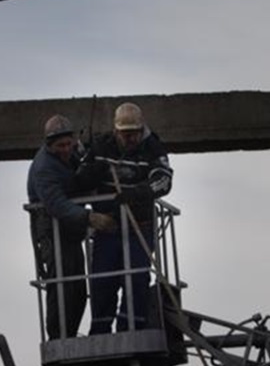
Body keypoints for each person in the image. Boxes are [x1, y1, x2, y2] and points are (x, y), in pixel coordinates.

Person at [79, 102, 173, 334]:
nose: (130, 139)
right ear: (116, 131)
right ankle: (99, 333)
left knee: (136, 280)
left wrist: (137, 193)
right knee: (102, 282)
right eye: (125, 134)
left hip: (139, 228)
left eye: (134, 134)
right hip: (107, 229)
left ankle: (130, 331)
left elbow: (164, 180)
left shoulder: (153, 148)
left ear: (141, 130)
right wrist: (89, 173)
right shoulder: (102, 147)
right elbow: (79, 179)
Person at [27, 114, 116, 339]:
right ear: (49, 145)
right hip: (51, 229)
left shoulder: (74, 153)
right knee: (61, 283)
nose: (66, 149)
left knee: (77, 287)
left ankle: (71, 332)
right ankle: (59, 335)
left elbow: (82, 177)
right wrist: (90, 218)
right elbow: (56, 204)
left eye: (69, 144)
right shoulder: (43, 168)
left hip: (71, 230)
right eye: (60, 146)